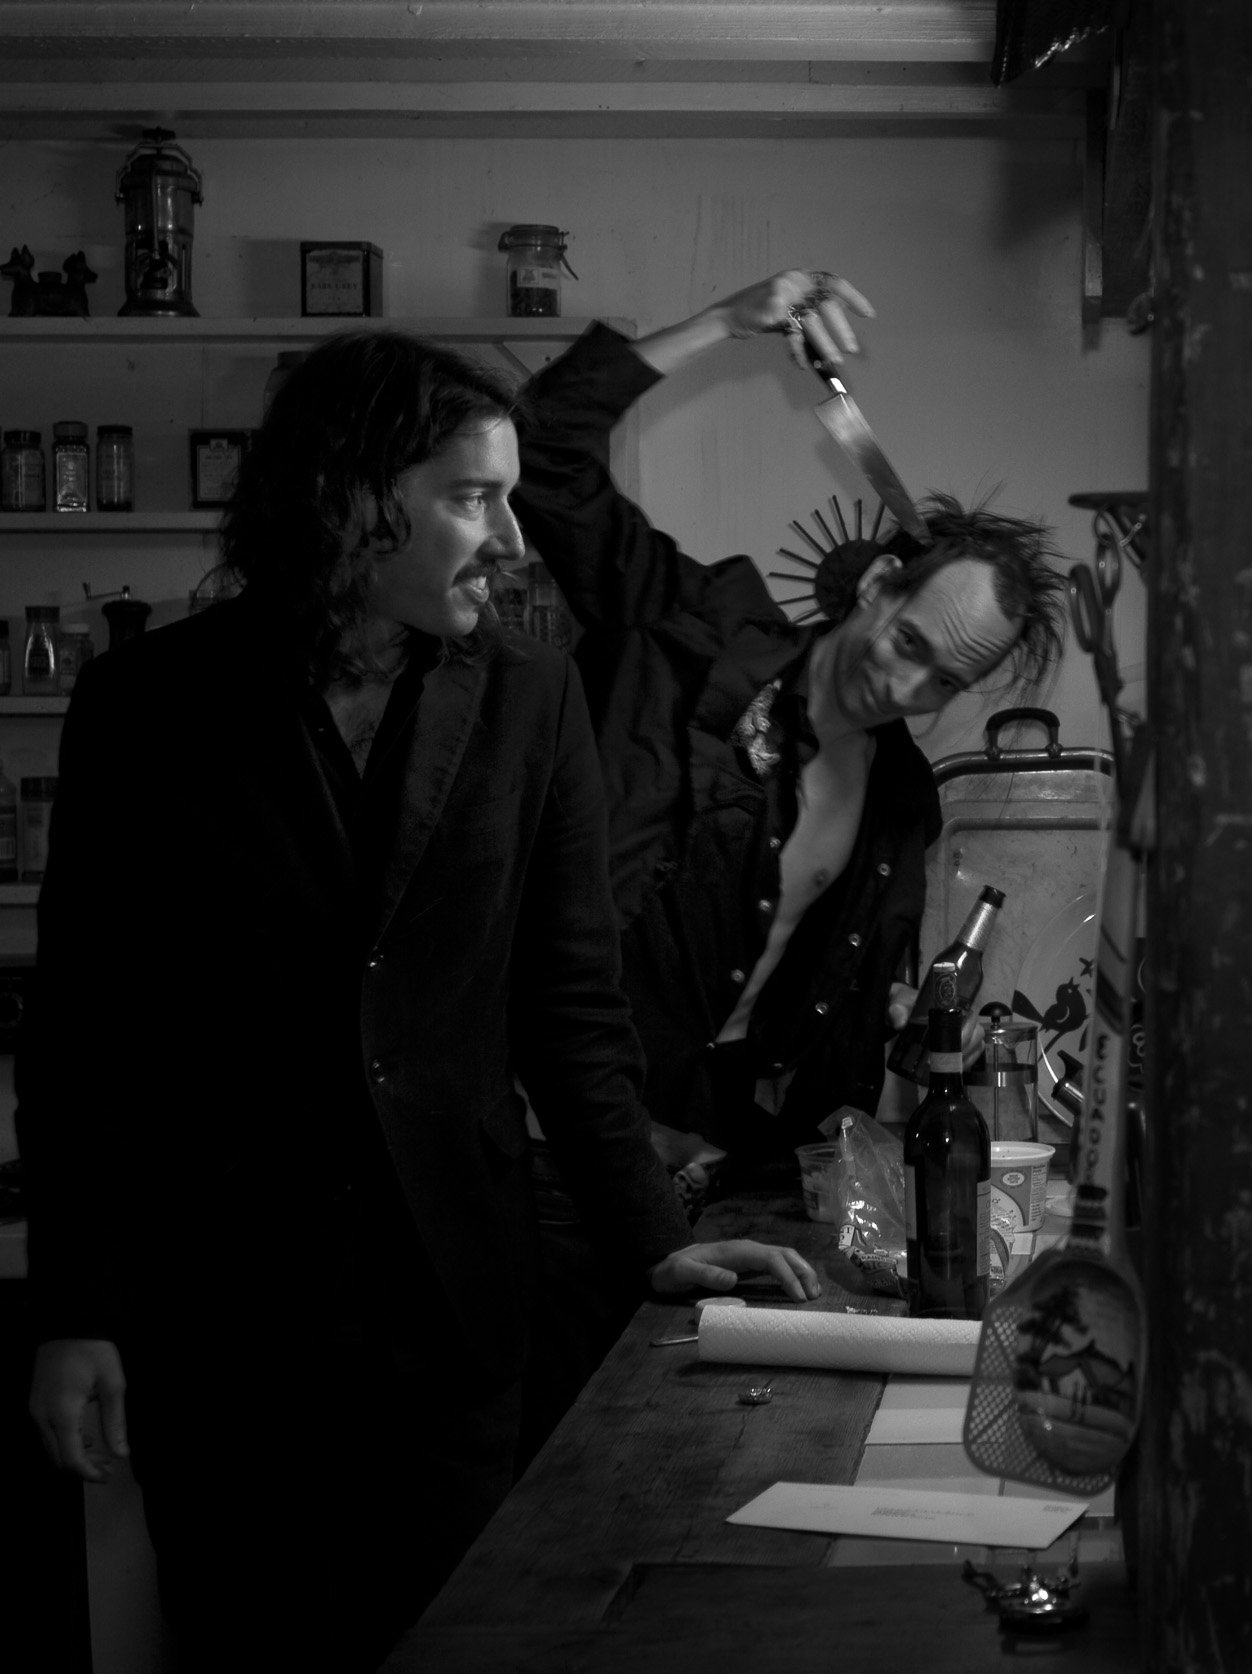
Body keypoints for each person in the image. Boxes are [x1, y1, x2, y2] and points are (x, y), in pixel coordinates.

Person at [20, 330, 821, 1671]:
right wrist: (77, 1309)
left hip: (453, 1316)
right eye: (472, 495)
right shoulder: (148, 704)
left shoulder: (528, 695)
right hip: (223, 1326)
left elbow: (572, 1009)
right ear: (349, 497)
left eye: (512, 494)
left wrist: (646, 1239)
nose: (508, 534)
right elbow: (88, 1034)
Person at [507, 271, 1066, 1445]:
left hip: (720, 1176)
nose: (906, 685)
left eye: (943, 680)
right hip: (550, 1155)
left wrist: (866, 1191)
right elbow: (547, 451)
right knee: (539, 1464)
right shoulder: (690, 634)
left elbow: (850, 1030)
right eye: (907, 641)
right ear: (873, 587)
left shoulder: (905, 798)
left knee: (671, 1456)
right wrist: (725, 320)